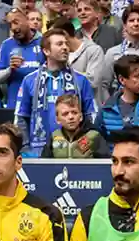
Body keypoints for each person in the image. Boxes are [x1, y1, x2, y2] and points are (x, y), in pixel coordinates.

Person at [14, 28, 97, 156]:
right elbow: (21, 118)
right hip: (38, 152)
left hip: (73, 153)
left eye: (66, 44)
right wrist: (25, 149)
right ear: (46, 51)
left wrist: (83, 148)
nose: (65, 48)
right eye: (59, 44)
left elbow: (90, 116)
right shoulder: (29, 80)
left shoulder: (81, 80)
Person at [100, 6, 139, 102]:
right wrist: (110, 105)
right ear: (125, 26)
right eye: (131, 20)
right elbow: (104, 85)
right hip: (120, 104)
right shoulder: (112, 53)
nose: (136, 24)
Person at [0, 8, 44, 110]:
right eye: (10, 25)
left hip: (40, 104)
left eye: (16, 22)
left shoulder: (44, 42)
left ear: (27, 19)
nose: (13, 27)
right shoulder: (6, 45)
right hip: (15, 106)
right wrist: (9, 70)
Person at [52, 16, 103, 101]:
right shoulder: (59, 54)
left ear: (65, 34)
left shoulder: (94, 50)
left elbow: (92, 82)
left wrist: (66, 76)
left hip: (89, 104)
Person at [42, 94, 110, 157]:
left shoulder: (94, 136)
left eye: (74, 112)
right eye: (65, 114)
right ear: (57, 119)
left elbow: (107, 163)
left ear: (81, 117)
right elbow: (43, 164)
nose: (71, 117)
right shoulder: (53, 137)